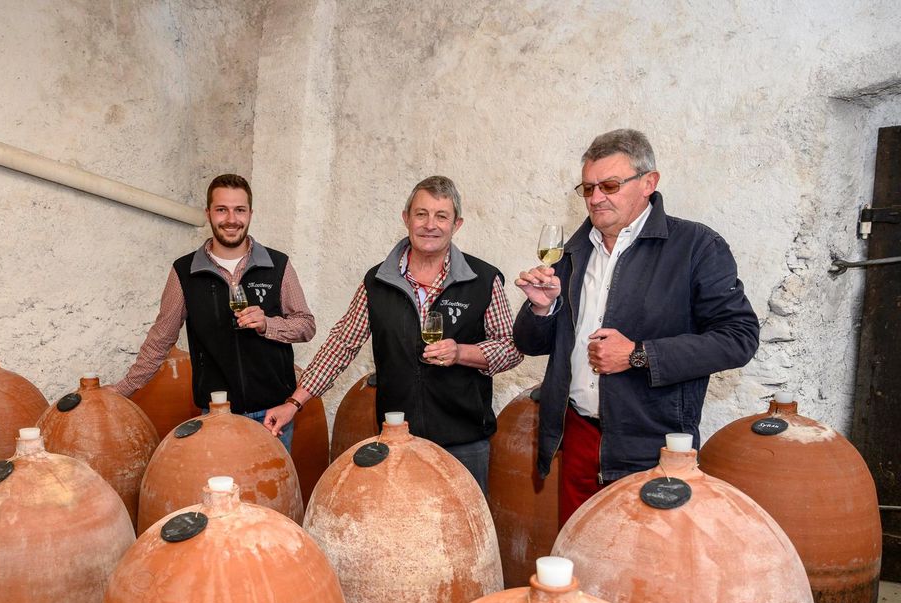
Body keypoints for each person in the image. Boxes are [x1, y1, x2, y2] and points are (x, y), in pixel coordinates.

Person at [512, 129, 759, 525]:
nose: (595, 198)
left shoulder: (696, 245)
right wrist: (543, 309)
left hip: (651, 442)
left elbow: (739, 338)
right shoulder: (573, 251)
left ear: (649, 183)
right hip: (577, 435)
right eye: (588, 187)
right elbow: (530, 342)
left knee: (641, 570)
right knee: (581, 557)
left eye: (609, 185)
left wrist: (639, 354)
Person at [263, 176, 523, 494]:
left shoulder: (482, 279)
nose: (430, 224)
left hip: (464, 443)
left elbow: (510, 347)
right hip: (397, 436)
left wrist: (461, 353)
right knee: (398, 534)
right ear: (406, 218)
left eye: (441, 216)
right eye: (421, 214)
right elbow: (342, 343)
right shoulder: (377, 281)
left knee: (462, 538)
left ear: (457, 224)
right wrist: (294, 402)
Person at [112, 174, 316, 451]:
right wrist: (123, 389)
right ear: (208, 213)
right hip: (216, 415)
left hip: (273, 414)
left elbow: (305, 325)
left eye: (239, 210)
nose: (231, 219)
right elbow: (161, 339)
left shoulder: (277, 265)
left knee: (270, 493)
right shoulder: (184, 272)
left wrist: (268, 324)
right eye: (222, 210)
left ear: (250, 214)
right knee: (220, 492)